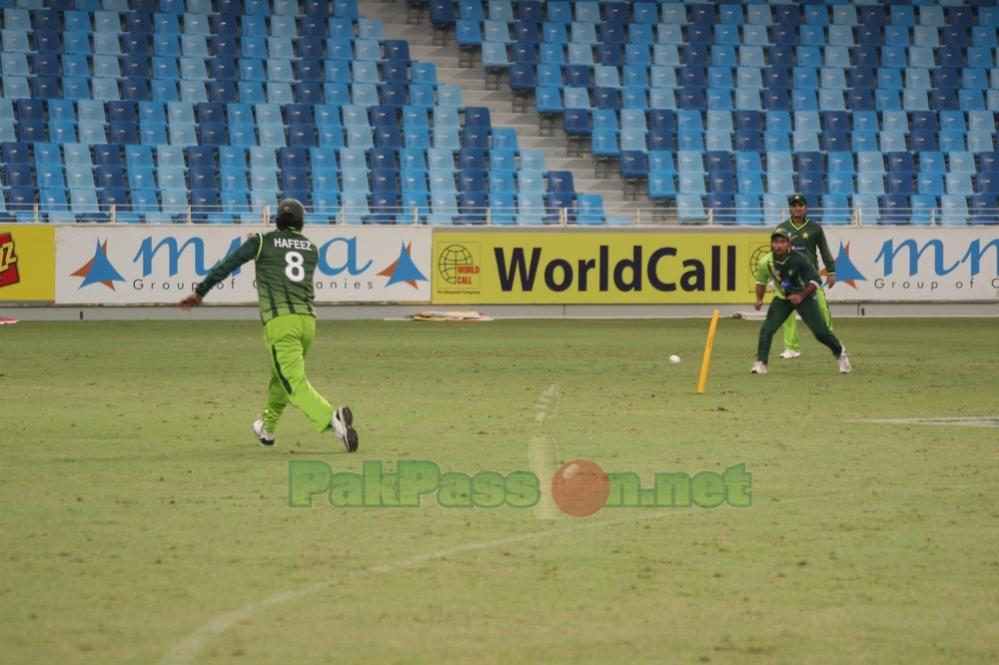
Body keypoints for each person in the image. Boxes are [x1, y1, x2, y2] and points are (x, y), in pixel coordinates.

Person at [179, 198, 359, 451]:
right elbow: (285, 255)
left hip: (280, 322)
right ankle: (267, 429)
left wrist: (200, 292)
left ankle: (333, 420)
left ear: (276, 220)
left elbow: (228, 265)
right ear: (302, 223)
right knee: (281, 379)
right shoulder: (311, 249)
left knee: (293, 383)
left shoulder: (262, 242)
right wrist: (261, 242)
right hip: (307, 322)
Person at [751, 228, 851, 375]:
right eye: (776, 242)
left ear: (789, 244)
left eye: (782, 242)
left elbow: (816, 280)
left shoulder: (800, 259)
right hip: (783, 298)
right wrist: (759, 299)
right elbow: (761, 282)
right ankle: (761, 363)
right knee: (767, 329)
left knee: (821, 333)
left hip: (806, 296)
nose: (779, 245)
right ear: (771, 244)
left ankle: (840, 352)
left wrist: (800, 296)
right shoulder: (766, 262)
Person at [773, 194, 836, 360]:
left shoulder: (815, 228)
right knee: (787, 313)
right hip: (789, 278)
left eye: (800, 205)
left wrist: (831, 271)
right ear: (790, 208)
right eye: (794, 205)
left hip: (811, 277)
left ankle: (833, 342)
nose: (797, 208)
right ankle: (791, 347)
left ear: (805, 207)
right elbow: (776, 252)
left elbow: (824, 250)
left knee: (822, 310)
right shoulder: (782, 228)